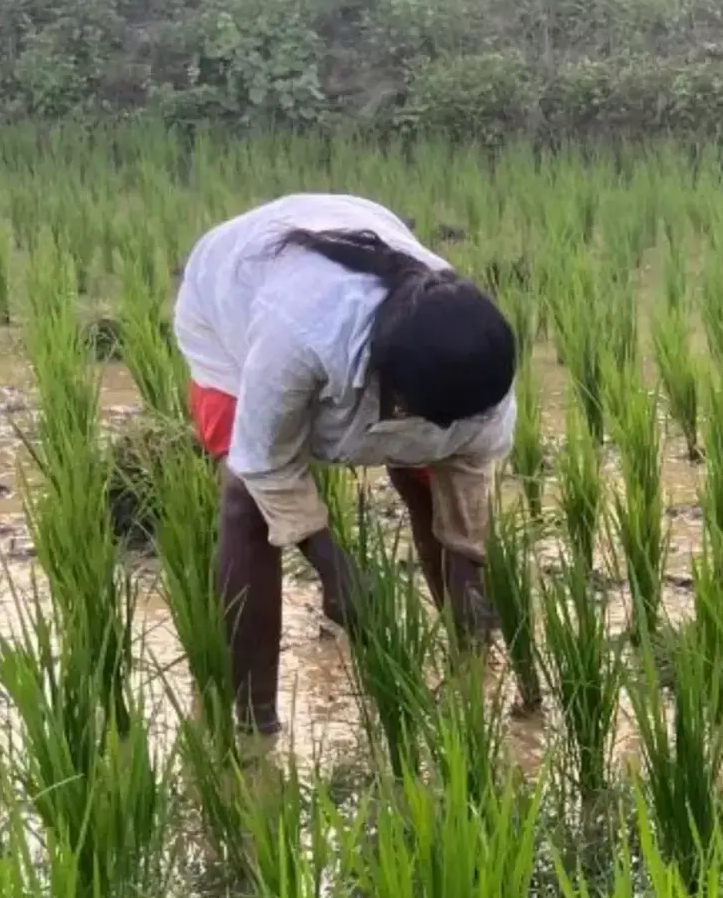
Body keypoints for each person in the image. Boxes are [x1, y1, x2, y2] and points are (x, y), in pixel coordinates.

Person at [173, 194, 517, 735]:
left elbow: (465, 464)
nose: (440, 434)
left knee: (426, 474)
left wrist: (467, 569)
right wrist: (333, 568)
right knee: (247, 503)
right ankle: (254, 723)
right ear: (388, 386)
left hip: (342, 258)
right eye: (421, 418)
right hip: (229, 307)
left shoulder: (478, 362)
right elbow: (265, 467)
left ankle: (472, 669)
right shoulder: (297, 333)